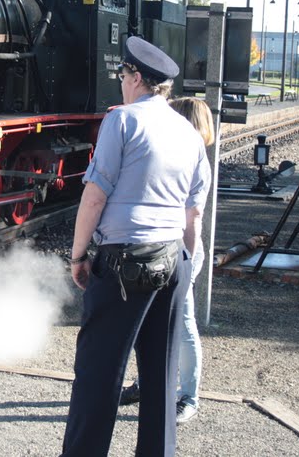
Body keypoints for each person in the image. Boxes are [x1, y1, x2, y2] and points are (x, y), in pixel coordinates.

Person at [62, 37, 211, 457]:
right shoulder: (189, 133)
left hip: (125, 261)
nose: (122, 83)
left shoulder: (122, 121)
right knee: (161, 376)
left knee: (99, 373)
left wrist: (77, 256)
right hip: (173, 258)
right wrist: (186, 269)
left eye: (124, 76)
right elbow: (192, 217)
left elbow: (94, 196)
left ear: (137, 78)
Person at [119, 98, 214, 426]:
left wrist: (185, 261)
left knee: (184, 322)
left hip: (181, 249)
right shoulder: (176, 154)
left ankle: (189, 396)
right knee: (150, 320)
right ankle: (146, 383)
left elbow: (194, 216)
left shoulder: (194, 160)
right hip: (158, 246)